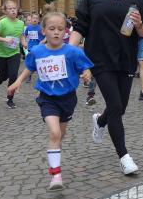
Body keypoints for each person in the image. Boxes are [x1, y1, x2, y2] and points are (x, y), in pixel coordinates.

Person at [70, 0, 143, 176]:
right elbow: (80, 27)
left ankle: (100, 121)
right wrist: (68, 49)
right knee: (115, 105)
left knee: (120, 107)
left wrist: (139, 25)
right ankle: (124, 157)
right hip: (99, 59)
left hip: (125, 59)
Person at [8, 12, 93, 190]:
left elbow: (85, 67)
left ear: (66, 32)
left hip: (68, 98)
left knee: (60, 134)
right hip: (47, 98)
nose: (56, 32)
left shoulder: (72, 51)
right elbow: (29, 67)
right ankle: (56, 175)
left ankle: (55, 153)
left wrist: (86, 74)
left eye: (60, 29)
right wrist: (18, 81)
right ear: (44, 31)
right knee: (54, 133)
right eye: (52, 28)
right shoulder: (37, 52)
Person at [0, 0, 25, 108]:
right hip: (1, 54)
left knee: (13, 75)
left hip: (14, 53)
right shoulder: (2, 23)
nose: (13, 11)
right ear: (5, 11)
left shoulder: (21, 23)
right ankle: (1, 77)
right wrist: (4, 39)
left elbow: (21, 35)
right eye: (10, 9)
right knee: (4, 76)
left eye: (14, 8)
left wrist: (24, 43)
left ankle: (10, 98)